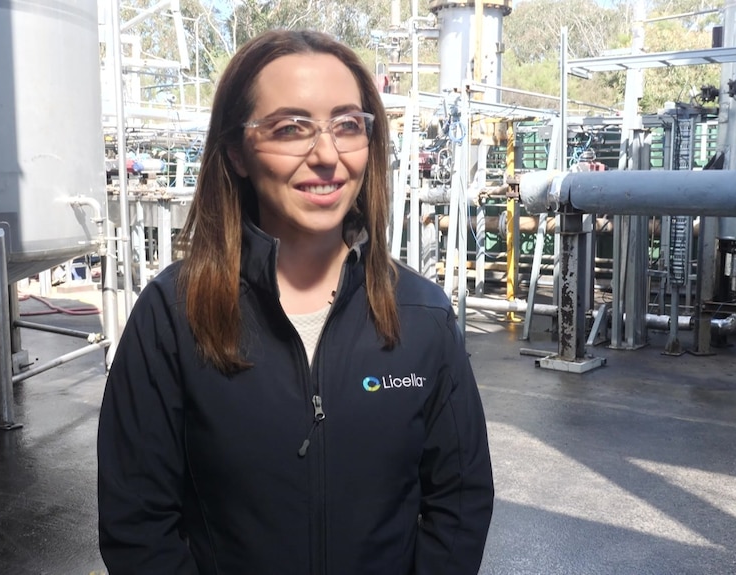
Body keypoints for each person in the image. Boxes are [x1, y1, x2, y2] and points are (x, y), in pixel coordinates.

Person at [97, 29, 494, 574]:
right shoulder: (173, 315)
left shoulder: (422, 316)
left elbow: (460, 501)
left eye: (347, 125)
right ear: (236, 151)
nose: (327, 155)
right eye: (290, 128)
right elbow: (137, 524)